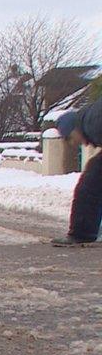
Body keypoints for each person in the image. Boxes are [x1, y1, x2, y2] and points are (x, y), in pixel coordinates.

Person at [52, 98, 102, 246]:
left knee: (90, 183)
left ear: (74, 129)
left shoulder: (92, 123)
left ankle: (82, 233)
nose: (73, 143)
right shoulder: (90, 119)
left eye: (69, 138)